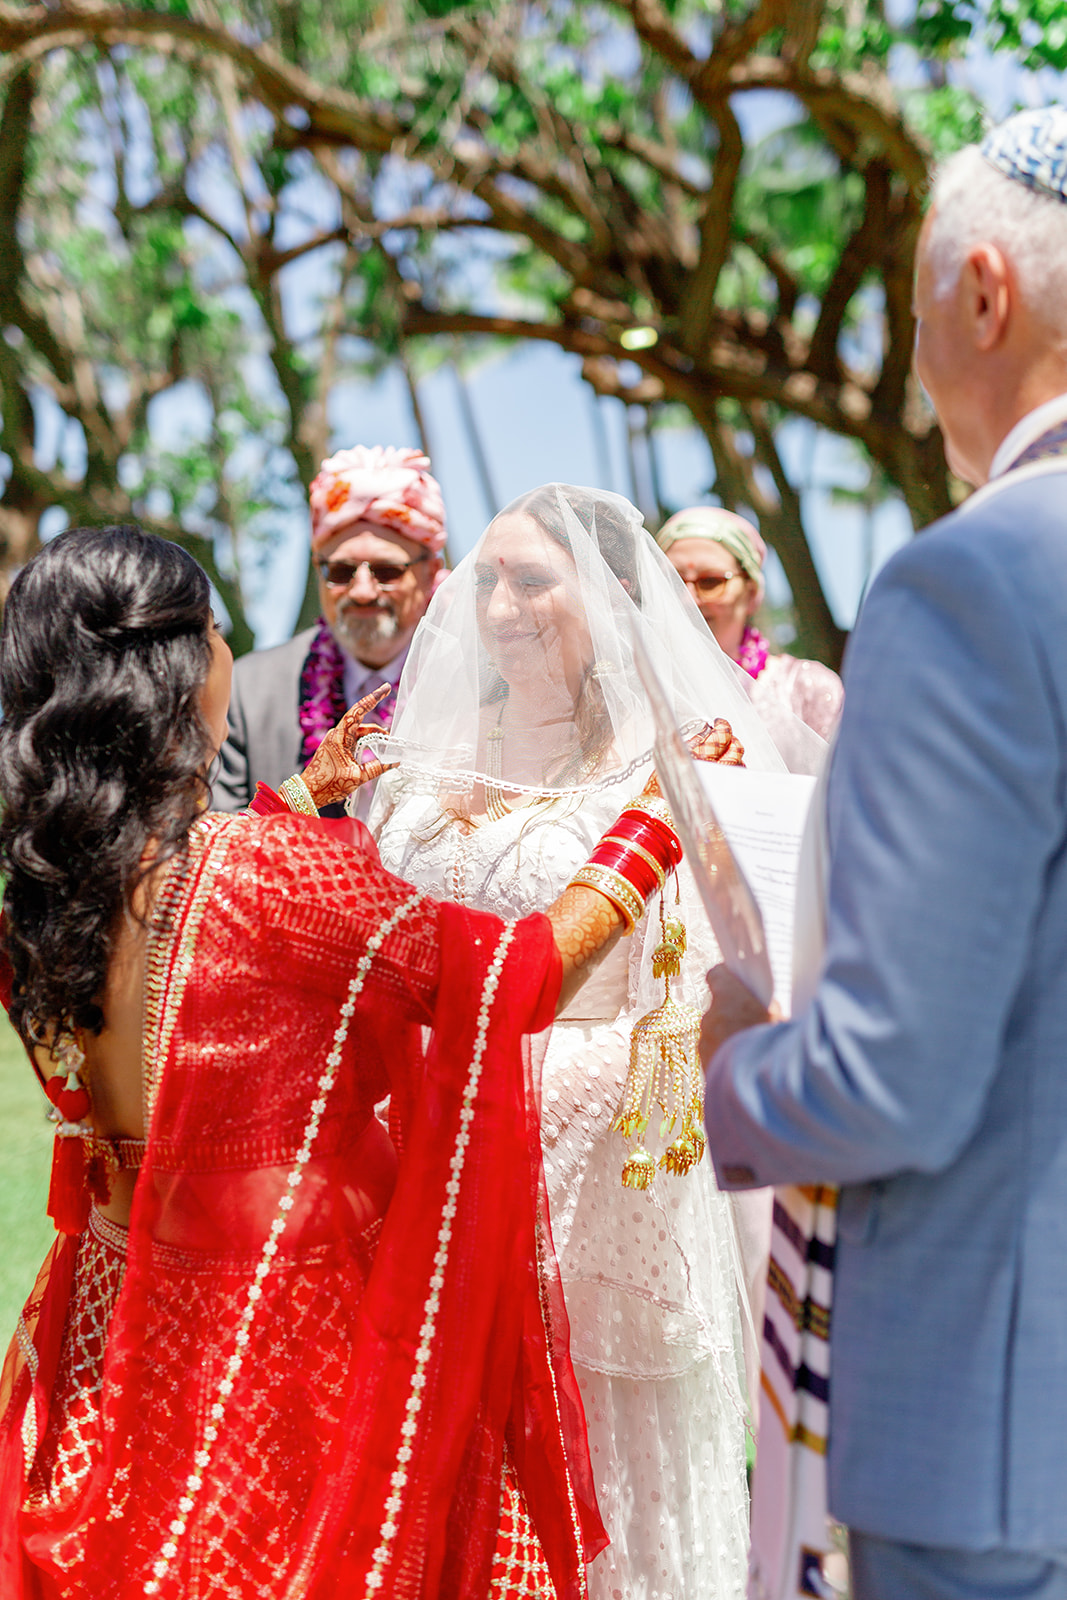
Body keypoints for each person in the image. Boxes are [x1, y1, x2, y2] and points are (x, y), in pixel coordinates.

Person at [0, 523, 700, 1599]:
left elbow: (188, 949)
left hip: (113, 1294)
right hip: (277, 1321)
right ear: (179, 667)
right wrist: (650, 827)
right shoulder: (264, 870)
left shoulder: (44, 887)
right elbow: (511, 979)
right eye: (219, 630)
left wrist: (300, 795)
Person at [701, 105, 1067, 1600]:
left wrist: (735, 1061)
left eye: (912, 312)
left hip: (1000, 1441)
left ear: (980, 293)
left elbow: (887, 1080)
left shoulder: (969, 583)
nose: (912, 372)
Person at [370, 484, 825, 1600]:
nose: (499, 607)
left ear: (614, 596)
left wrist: (483, 1098)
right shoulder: (420, 760)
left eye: (531, 580)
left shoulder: (671, 764)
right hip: (412, 1191)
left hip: (592, 1198)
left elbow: (673, 1020)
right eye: (483, 580)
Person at [212, 444, 444, 818]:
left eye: (387, 571)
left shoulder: (479, 683)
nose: (363, 591)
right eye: (340, 572)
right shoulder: (251, 690)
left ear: (432, 571)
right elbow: (216, 842)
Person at [657, 507, 843, 741]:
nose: (688, 599)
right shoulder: (635, 694)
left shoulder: (805, 689)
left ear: (751, 592)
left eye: (711, 581)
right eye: (672, 581)